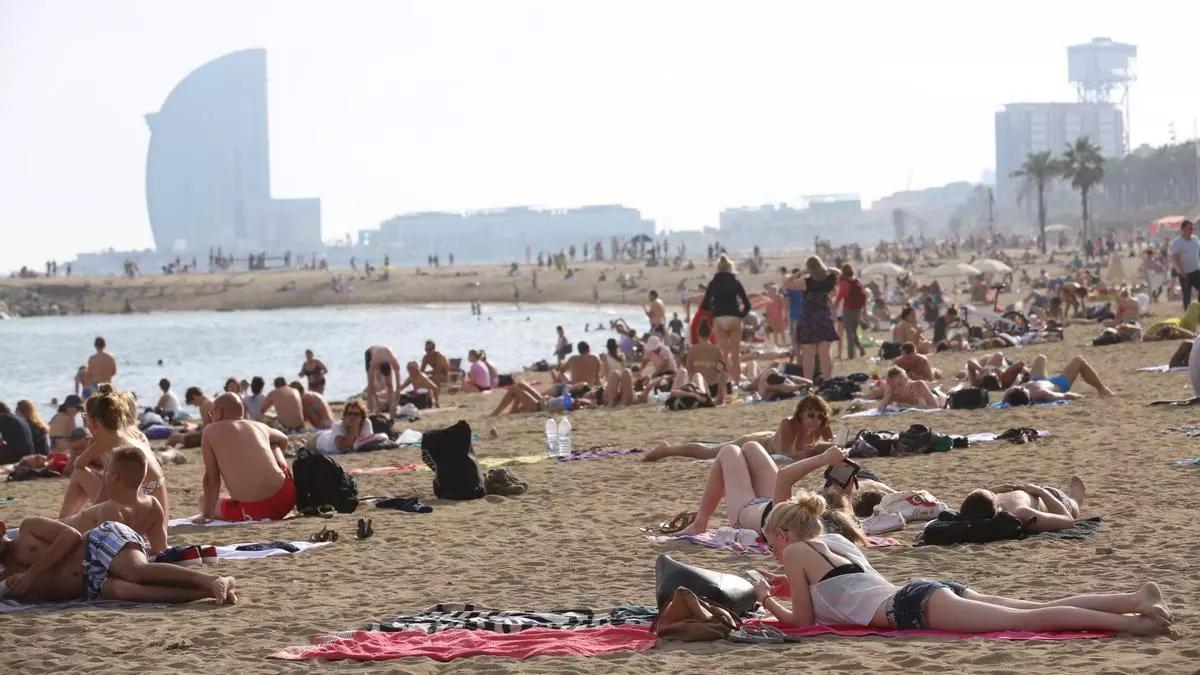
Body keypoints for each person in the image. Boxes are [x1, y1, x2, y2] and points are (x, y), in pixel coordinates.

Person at [750, 490, 1172, 635]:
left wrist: (768, 600)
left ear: (783, 535)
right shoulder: (834, 541)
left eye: (769, 541)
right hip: (920, 590)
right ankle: (1134, 596)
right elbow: (841, 586)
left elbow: (804, 623)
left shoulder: (794, 553)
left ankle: (1135, 623)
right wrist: (786, 583)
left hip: (908, 607)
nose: (772, 550)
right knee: (1028, 608)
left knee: (1028, 619)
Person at [0, 517, 237, 605]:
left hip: (97, 543)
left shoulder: (28, 529)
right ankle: (205, 594)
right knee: (122, 590)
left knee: (135, 571)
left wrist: (30, 575)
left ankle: (210, 579)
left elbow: (69, 535)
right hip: (90, 584)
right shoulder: (4, 578)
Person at [675, 444, 866, 541]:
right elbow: (845, 501)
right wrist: (845, 488)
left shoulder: (789, 516)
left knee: (730, 451)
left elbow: (784, 476)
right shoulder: (841, 517)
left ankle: (700, 524)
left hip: (745, 511)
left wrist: (823, 458)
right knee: (751, 446)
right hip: (767, 503)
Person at [58, 385, 169, 548]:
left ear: (94, 422)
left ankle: (61, 524)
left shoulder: (118, 452)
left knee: (80, 481)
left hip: (139, 519)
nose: (85, 422)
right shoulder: (128, 438)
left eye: (85, 417)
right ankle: (62, 523)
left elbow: (97, 505)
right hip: (156, 517)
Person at [643, 393, 834, 461]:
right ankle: (667, 450)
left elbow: (832, 444)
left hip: (767, 440)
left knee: (710, 451)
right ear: (800, 413)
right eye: (810, 415)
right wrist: (809, 453)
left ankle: (668, 449)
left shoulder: (821, 426)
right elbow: (782, 455)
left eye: (819, 416)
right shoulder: (789, 424)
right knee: (708, 452)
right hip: (757, 443)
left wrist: (822, 448)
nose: (815, 420)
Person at [199, 393, 296, 522]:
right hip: (287, 499)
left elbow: (211, 479)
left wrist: (207, 514)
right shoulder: (258, 426)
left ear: (218, 412)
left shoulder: (210, 431)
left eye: (211, 413)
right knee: (274, 444)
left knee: (202, 500)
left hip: (255, 510)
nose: (211, 417)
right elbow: (284, 439)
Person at [61, 446, 168, 554]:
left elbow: (106, 555)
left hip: (61, 533)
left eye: (106, 472)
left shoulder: (111, 510)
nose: (104, 476)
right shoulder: (153, 506)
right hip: (65, 528)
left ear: (115, 478)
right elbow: (160, 549)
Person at [960, 477, 1086, 533]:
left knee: (1072, 505)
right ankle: (1074, 498)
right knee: (1072, 508)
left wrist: (993, 490)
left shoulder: (973, 509)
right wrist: (1039, 491)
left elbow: (1069, 519)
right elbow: (1068, 521)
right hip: (1046, 497)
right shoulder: (1019, 512)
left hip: (1046, 495)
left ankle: (1074, 497)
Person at [701, 254, 751, 391]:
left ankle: (723, 383)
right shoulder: (735, 282)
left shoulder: (713, 284)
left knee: (723, 354)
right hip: (734, 318)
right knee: (735, 354)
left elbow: (704, 305)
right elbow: (747, 304)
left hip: (719, 319)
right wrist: (740, 314)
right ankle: (737, 382)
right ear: (730, 268)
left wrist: (714, 308)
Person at [786, 257, 841, 381]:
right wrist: (829, 269)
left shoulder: (806, 282)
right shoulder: (830, 279)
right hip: (824, 319)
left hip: (808, 319)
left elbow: (787, 284)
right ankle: (827, 380)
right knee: (825, 354)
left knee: (808, 355)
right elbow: (839, 273)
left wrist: (800, 272)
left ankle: (808, 383)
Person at [1001, 353, 1115, 405]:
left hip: (1037, 379)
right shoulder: (1042, 393)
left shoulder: (1014, 392)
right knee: (1079, 361)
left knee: (1041, 358)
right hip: (1057, 385)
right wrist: (1083, 398)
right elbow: (1065, 396)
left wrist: (1002, 403)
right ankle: (1102, 389)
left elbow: (1006, 395)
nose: (1018, 387)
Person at [314, 399, 385, 454]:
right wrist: (353, 430)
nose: (352, 417)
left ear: (362, 417)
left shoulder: (366, 423)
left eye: (356, 414)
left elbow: (365, 444)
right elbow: (342, 446)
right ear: (345, 416)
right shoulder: (338, 425)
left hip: (329, 434)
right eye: (349, 414)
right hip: (319, 440)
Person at [683, 321, 727, 398]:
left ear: (698, 334)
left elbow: (687, 370)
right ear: (710, 334)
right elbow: (722, 372)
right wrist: (721, 392)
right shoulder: (716, 350)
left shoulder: (693, 350)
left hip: (698, 389)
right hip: (714, 388)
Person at [488, 381, 582, 416]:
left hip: (539, 406)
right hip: (543, 401)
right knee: (521, 384)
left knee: (515, 389)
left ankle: (496, 413)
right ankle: (513, 411)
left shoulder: (569, 400)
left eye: (578, 386)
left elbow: (557, 409)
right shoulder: (567, 396)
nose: (575, 385)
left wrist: (545, 411)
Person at [834, 264, 867, 359]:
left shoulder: (844, 283)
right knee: (854, 332)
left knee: (849, 333)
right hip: (857, 309)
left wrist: (834, 305)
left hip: (848, 309)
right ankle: (861, 348)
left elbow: (840, 295)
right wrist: (864, 310)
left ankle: (851, 355)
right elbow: (864, 296)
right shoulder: (857, 281)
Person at [877, 366, 946, 411]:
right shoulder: (892, 392)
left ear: (907, 380)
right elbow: (880, 410)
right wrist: (886, 395)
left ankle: (939, 388)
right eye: (893, 386)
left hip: (939, 398)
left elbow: (935, 407)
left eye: (900, 384)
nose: (897, 388)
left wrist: (909, 407)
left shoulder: (918, 385)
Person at [1170, 219, 1200, 310]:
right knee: (1186, 294)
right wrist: (1181, 271)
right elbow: (1175, 258)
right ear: (1183, 229)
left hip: (1196, 271)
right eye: (1190, 228)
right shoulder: (1177, 242)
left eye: (1192, 228)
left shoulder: (1195, 239)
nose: (1192, 230)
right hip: (1184, 273)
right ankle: (1187, 312)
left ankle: (1198, 308)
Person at [364, 345, 402, 414]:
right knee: (370, 385)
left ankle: (391, 411)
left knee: (389, 384)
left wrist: (395, 403)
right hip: (370, 352)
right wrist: (378, 403)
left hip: (385, 352)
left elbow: (398, 386)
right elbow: (371, 387)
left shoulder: (395, 364)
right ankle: (370, 411)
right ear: (378, 368)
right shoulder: (373, 363)